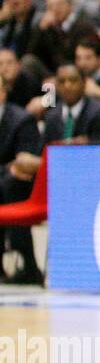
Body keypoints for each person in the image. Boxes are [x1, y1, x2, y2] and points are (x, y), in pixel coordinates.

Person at [0, 76, 43, 283]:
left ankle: (29, 266)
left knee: (11, 184)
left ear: (3, 93)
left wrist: (12, 168)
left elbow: (24, 166)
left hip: (25, 187)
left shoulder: (22, 119)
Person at [42, 63, 100, 146]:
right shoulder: (51, 116)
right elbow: (43, 151)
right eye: (62, 81)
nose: (67, 86)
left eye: (73, 80)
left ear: (84, 83)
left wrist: (86, 145)